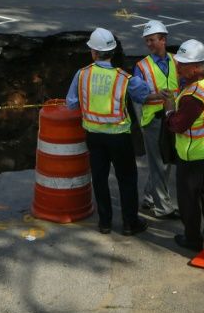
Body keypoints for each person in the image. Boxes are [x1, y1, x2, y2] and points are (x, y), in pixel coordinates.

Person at [66, 27, 160, 235]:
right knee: (126, 179)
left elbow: (71, 104)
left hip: (93, 136)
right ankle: (129, 223)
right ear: (113, 52)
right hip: (119, 137)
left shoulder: (82, 75)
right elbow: (144, 94)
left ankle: (105, 222)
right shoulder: (123, 78)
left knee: (99, 178)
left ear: (93, 52)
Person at [161, 39, 204, 252]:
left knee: (188, 201)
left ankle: (192, 239)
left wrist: (169, 108)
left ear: (196, 67)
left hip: (192, 156)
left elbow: (177, 125)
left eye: (182, 64)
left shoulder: (193, 97)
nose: (177, 67)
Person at [135, 20, 180, 219]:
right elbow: (137, 95)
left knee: (162, 162)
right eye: (147, 41)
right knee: (160, 163)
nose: (149, 44)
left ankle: (149, 198)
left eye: (152, 40)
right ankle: (163, 208)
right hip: (153, 121)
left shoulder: (176, 61)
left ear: (163, 39)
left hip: (171, 117)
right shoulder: (142, 67)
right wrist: (156, 96)